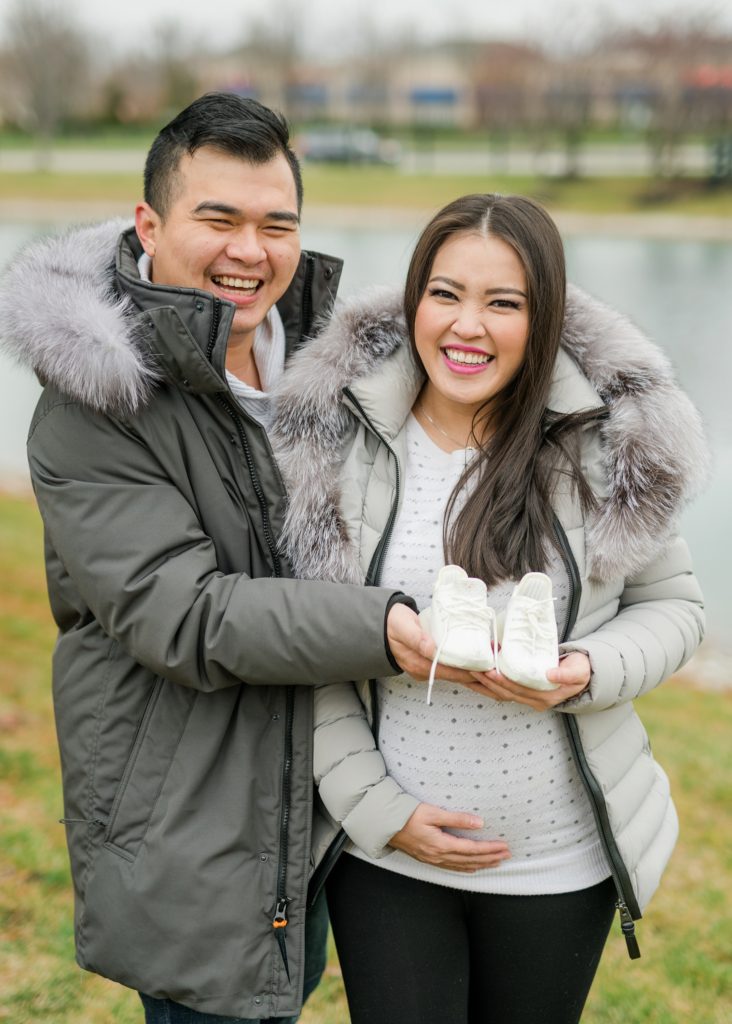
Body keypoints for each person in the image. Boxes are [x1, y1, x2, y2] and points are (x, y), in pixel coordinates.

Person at [0, 93, 475, 1023]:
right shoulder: (92, 403)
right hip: (188, 821)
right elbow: (185, 616)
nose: (249, 251)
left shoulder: (335, 365)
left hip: (319, 795)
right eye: (218, 219)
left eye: (276, 225)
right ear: (149, 225)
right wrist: (387, 626)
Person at [270, 193, 707, 1024]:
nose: (466, 326)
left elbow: (674, 610)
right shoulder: (341, 440)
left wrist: (586, 670)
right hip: (388, 857)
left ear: (542, 320)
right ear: (414, 300)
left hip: (557, 864)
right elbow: (311, 646)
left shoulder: (600, 439)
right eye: (445, 294)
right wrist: (382, 812)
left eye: (503, 303)